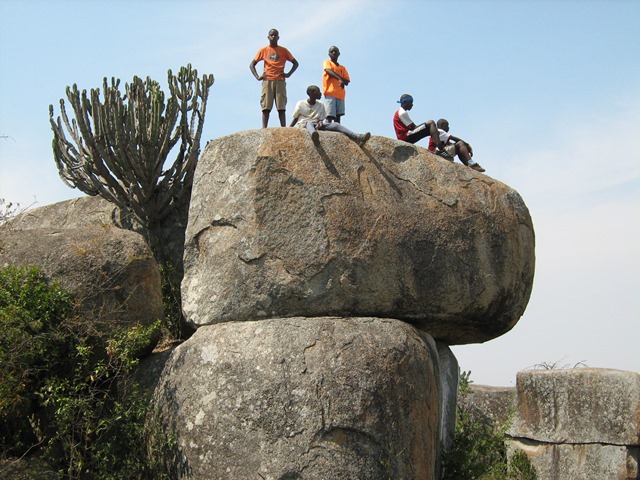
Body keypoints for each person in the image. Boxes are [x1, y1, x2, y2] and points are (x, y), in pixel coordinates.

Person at [250, 28, 299, 128]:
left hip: (280, 80)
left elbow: (295, 63)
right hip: (267, 80)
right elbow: (252, 64)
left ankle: (283, 127)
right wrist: (258, 76)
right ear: (268, 37)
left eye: (275, 35)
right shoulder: (263, 50)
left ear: (278, 37)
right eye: (271, 35)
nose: (273, 37)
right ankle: (264, 128)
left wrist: (288, 74)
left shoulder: (283, 51)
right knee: (266, 106)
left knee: (281, 106)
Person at [290, 85, 370, 146]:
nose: (320, 93)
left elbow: (321, 119)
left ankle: (357, 136)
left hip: (316, 125)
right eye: (318, 92)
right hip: (305, 125)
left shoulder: (320, 105)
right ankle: (314, 136)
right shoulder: (301, 103)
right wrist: (289, 129)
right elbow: (295, 118)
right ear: (311, 93)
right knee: (309, 123)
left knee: (336, 124)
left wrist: (320, 122)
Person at [322, 46, 350, 123]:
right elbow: (328, 70)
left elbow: (347, 81)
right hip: (330, 92)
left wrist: (341, 79)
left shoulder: (342, 68)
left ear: (339, 54)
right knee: (329, 114)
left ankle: (337, 131)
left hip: (340, 94)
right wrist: (340, 79)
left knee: (338, 116)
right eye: (332, 51)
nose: (334, 53)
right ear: (329, 54)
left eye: (335, 51)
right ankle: (328, 129)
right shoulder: (327, 62)